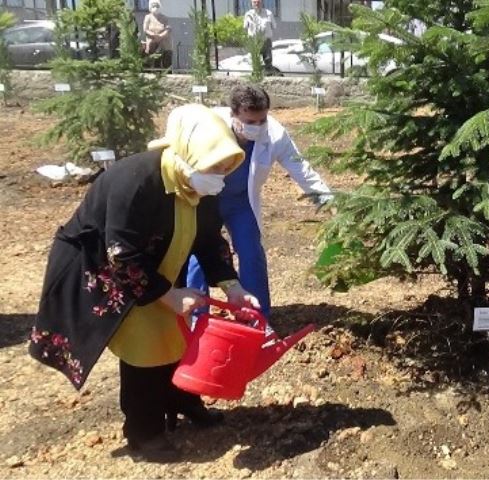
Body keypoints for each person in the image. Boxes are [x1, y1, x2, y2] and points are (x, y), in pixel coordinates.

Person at [29, 104, 260, 462]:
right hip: (109, 265)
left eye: (226, 169)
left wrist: (233, 286)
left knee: (177, 334)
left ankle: (182, 398)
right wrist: (167, 295)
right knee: (144, 348)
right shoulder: (137, 180)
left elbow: (210, 239)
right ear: (189, 152)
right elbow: (120, 253)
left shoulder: (200, 187)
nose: (220, 177)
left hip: (160, 264)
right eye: (215, 167)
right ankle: (143, 432)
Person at [187, 85, 332, 321]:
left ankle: (256, 317)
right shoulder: (209, 126)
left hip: (240, 201)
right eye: (249, 121)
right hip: (206, 200)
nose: (257, 127)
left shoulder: (275, 134)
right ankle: (196, 318)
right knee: (199, 253)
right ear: (233, 114)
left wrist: (326, 200)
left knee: (251, 251)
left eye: (261, 120)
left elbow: (301, 169)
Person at [243, 0, 276, 72]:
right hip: (254, 41)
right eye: (254, 2)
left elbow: (274, 26)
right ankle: (256, 75)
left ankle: (268, 75)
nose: (256, 4)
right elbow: (245, 28)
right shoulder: (248, 14)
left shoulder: (268, 13)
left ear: (262, 3)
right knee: (255, 61)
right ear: (251, 3)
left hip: (266, 41)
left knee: (268, 59)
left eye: (258, 2)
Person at [142, 0, 173, 70]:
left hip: (164, 43)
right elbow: (145, 29)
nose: (155, 7)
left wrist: (160, 36)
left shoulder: (164, 18)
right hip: (152, 44)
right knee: (154, 61)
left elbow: (168, 29)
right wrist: (154, 35)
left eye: (157, 6)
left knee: (166, 62)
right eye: (154, 6)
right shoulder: (148, 17)